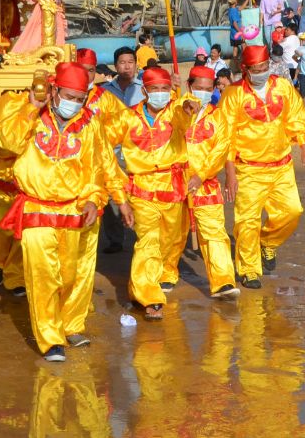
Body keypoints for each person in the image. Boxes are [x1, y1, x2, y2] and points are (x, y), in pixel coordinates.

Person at [0, 62, 132, 362]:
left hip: (76, 208)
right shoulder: (29, 115)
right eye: (67, 95)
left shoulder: (90, 124)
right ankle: (50, 339)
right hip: (37, 208)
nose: (73, 103)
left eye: (79, 98)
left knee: (74, 274)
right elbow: (6, 142)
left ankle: (71, 325)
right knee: (43, 275)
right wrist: (31, 107)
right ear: (54, 91)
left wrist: (97, 199)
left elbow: (99, 166)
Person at [188, 44, 305, 289]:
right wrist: (230, 175)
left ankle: (267, 243)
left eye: (265, 67)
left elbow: (296, 115)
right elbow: (227, 136)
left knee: (292, 212)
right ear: (245, 69)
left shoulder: (283, 86)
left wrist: (304, 146)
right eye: (256, 69)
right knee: (246, 222)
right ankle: (249, 269)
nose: (262, 72)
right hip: (248, 168)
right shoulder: (233, 94)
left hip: (281, 165)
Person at [100, 66, 196, 321]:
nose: (160, 94)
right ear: (144, 91)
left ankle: (159, 276)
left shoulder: (175, 111)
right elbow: (101, 143)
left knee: (172, 238)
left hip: (172, 185)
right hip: (141, 188)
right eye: (155, 89)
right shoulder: (127, 117)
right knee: (148, 241)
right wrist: (117, 179)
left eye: (165, 89)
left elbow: (186, 112)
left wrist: (187, 105)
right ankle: (149, 296)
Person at [184, 66, 239, 299]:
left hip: (205, 183)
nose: (203, 93)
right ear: (189, 86)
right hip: (174, 183)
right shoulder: (175, 111)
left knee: (215, 233)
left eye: (208, 89)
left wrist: (201, 175)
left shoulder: (218, 117)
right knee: (170, 235)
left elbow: (220, 150)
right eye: (199, 88)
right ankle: (164, 276)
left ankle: (223, 282)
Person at [98, 46, 143, 254]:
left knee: (141, 194)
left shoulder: (145, 89)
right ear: (115, 66)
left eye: (131, 62)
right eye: (122, 62)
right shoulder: (105, 91)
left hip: (140, 152)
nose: (127, 66)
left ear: (136, 64)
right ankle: (115, 238)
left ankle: (141, 235)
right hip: (113, 152)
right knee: (111, 197)